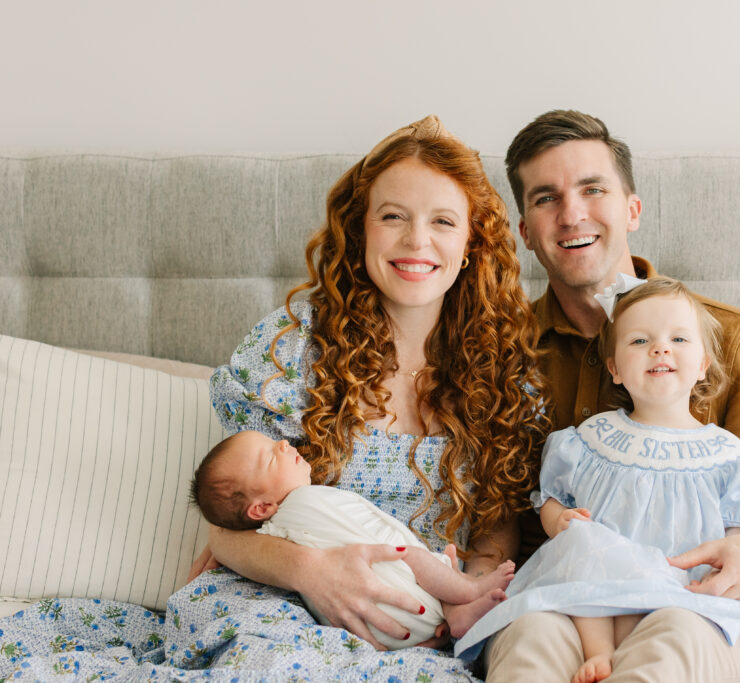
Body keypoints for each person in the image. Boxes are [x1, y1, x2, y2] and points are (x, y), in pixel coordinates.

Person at [485, 110, 740, 682]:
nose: (572, 213)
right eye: (546, 198)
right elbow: (491, 498)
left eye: (592, 189)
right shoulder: (501, 355)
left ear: (632, 208)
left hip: (700, 607)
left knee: (673, 643)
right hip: (568, 605)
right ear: (525, 230)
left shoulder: (729, 339)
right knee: (528, 641)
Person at [187, 115, 548, 678]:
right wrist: (314, 574)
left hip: (422, 616)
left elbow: (496, 522)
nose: (416, 241)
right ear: (361, 230)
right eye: (393, 217)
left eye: (443, 221)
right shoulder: (292, 345)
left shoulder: (502, 369)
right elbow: (230, 526)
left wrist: (463, 593)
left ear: (472, 241)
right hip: (289, 601)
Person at [456, 276, 740, 683]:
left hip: (681, 596)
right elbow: (552, 496)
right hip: (593, 598)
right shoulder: (592, 439)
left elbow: (735, 535)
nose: (660, 348)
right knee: (569, 571)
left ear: (703, 365)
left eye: (678, 339)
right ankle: (598, 653)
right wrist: (558, 520)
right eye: (639, 341)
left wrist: (734, 554)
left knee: (673, 635)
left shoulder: (727, 456)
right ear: (615, 369)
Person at [188, 430, 515, 649]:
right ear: (261, 508)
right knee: (409, 554)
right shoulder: (307, 501)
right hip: (382, 603)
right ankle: (466, 592)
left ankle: (454, 609)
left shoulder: (274, 528)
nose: (285, 444)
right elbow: (378, 528)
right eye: (272, 456)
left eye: (277, 443)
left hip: (373, 633)